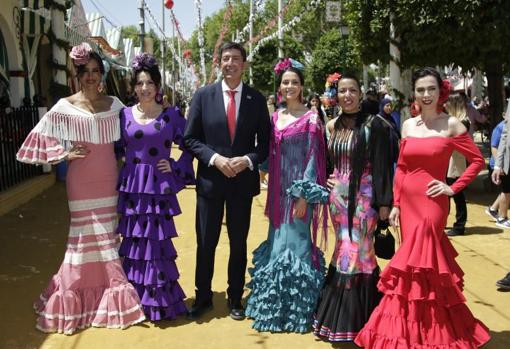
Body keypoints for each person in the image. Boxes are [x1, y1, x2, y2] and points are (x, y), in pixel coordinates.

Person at [355, 67, 490, 348]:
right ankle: (415, 332)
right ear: (413, 93)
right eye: (420, 90)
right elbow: (402, 168)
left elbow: (477, 161)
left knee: (422, 260)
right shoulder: (407, 125)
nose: (426, 95)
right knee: (414, 269)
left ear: (440, 92)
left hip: (432, 204)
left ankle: (436, 333)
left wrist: (452, 187)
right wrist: (395, 204)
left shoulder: (452, 124)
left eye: (431, 89)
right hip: (408, 205)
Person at [16, 42, 145, 334]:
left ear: (102, 75)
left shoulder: (114, 105)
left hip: (108, 180)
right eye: (86, 71)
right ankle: (72, 296)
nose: (91, 76)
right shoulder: (65, 106)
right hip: (80, 183)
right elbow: (34, 142)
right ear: (77, 75)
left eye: (96, 71)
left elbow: (137, 130)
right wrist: (63, 155)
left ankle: (109, 294)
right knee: (81, 241)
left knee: (108, 239)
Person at [183, 42, 270, 321]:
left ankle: (235, 297)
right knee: (206, 242)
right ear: (219, 63)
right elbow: (190, 138)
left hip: (242, 183)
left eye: (235, 59)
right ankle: (204, 296)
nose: (230, 63)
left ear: (244, 64)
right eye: (225, 58)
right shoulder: (203, 96)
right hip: (210, 181)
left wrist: (246, 160)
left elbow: (265, 145)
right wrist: (215, 159)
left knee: (238, 242)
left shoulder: (256, 100)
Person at [245, 62, 329, 333]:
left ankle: (298, 312)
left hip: (298, 193)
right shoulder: (276, 117)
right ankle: (274, 308)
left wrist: (305, 195)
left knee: (297, 246)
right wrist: (262, 171)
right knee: (277, 243)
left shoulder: (312, 119)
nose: (289, 86)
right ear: (279, 87)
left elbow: (314, 159)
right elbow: (270, 151)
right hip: (277, 193)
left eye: (294, 82)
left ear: (301, 86)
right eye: (285, 82)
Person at [313, 73, 394, 342]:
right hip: (337, 199)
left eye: (352, 90)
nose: (347, 95)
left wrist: (384, 204)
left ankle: (362, 319)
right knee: (342, 248)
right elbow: (326, 160)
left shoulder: (376, 125)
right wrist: (324, 179)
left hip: (366, 201)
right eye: (343, 91)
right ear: (336, 95)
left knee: (360, 250)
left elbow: (383, 166)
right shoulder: (332, 126)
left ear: (360, 94)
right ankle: (345, 320)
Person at [115, 53, 195, 321]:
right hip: (133, 190)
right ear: (133, 87)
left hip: (158, 190)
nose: (144, 88)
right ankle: (133, 302)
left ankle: (160, 302)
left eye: (149, 82)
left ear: (158, 86)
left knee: (157, 245)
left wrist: (174, 167)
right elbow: (112, 150)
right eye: (139, 83)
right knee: (135, 243)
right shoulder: (123, 115)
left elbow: (190, 145)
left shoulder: (171, 116)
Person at [445, 93, 471, 236]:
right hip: (450, 161)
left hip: (456, 162)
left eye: (447, 102)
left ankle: (459, 226)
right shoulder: (454, 120)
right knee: (446, 195)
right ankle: (442, 221)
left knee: (458, 195)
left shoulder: (462, 121)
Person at [487, 115, 510, 227]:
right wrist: (498, 165)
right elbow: (494, 147)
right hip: (499, 165)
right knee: (506, 190)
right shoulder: (500, 127)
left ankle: (493, 209)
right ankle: (502, 218)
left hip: (506, 164)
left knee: (506, 190)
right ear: (503, 114)